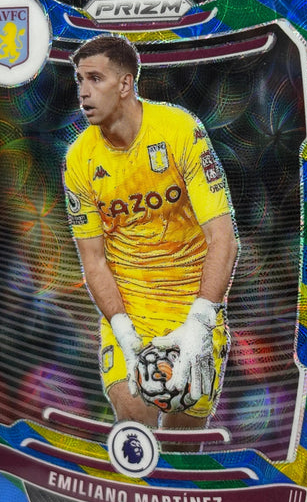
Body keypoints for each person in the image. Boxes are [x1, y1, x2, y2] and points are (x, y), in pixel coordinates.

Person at [63, 35, 238, 432]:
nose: (83, 92)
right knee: (134, 418)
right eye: (79, 80)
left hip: (191, 305)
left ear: (126, 84)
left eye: (95, 79)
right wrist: (122, 330)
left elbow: (223, 239)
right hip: (131, 308)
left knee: (182, 442)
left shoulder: (180, 130)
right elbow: (93, 260)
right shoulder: (78, 160)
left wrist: (201, 321)